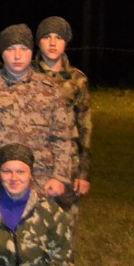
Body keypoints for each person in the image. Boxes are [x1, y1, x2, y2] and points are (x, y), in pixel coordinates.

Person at [0, 24, 76, 206]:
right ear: (2, 53)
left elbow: (62, 137)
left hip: (41, 180)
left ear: (32, 51)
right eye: (10, 49)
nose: (17, 56)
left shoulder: (50, 90)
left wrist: (59, 176)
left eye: (23, 49)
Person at [33, 16, 93, 201]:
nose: (52, 43)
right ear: (38, 42)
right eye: (47, 37)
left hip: (68, 163)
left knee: (65, 215)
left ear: (66, 42)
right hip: (34, 163)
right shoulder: (27, 75)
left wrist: (84, 173)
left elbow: (85, 127)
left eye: (58, 37)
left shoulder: (77, 80)